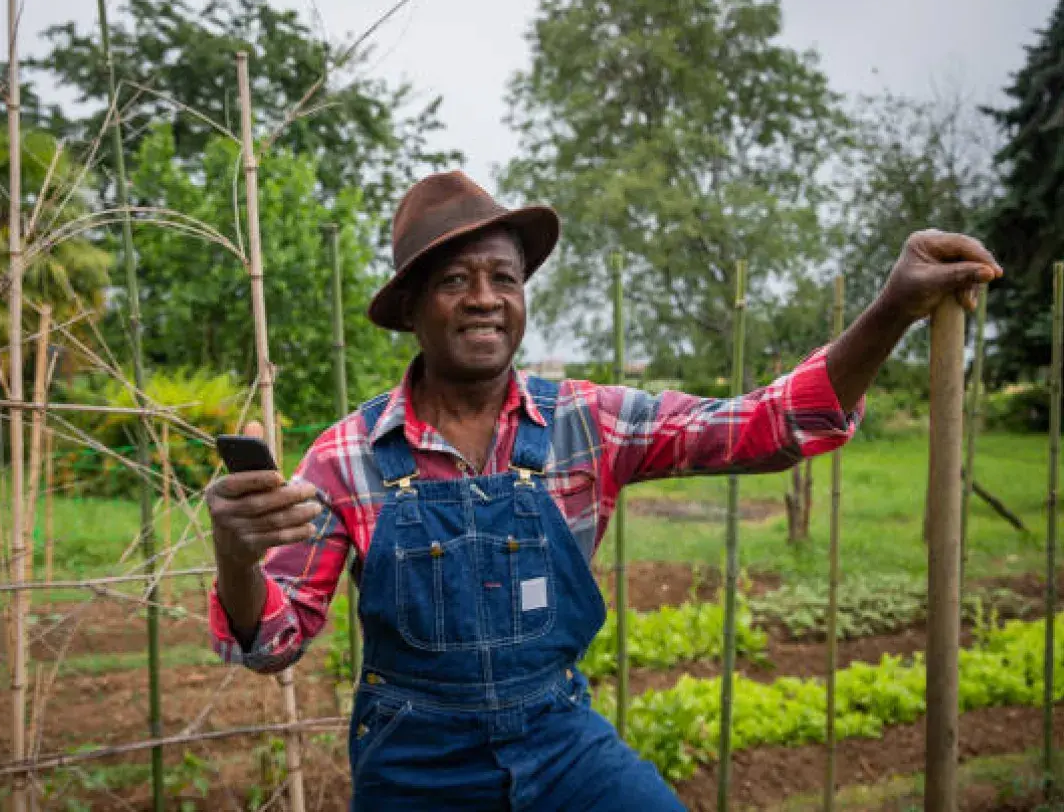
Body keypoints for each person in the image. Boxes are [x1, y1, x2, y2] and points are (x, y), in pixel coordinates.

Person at [206, 170, 1001, 810]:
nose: (484, 296)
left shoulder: (588, 422)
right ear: (411, 308)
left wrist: (892, 308)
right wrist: (237, 560)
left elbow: (769, 426)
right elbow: (275, 643)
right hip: (416, 764)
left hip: (558, 743)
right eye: (454, 279)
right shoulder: (347, 457)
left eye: (504, 277)